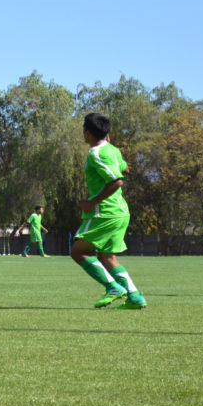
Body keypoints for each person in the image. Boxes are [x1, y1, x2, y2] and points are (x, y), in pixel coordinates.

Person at [71, 113, 147, 309]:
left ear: (87, 133)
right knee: (107, 257)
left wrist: (91, 202)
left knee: (78, 252)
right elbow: (126, 170)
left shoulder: (95, 154)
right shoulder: (113, 150)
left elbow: (117, 181)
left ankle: (112, 287)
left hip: (104, 212)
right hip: (120, 212)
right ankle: (135, 297)